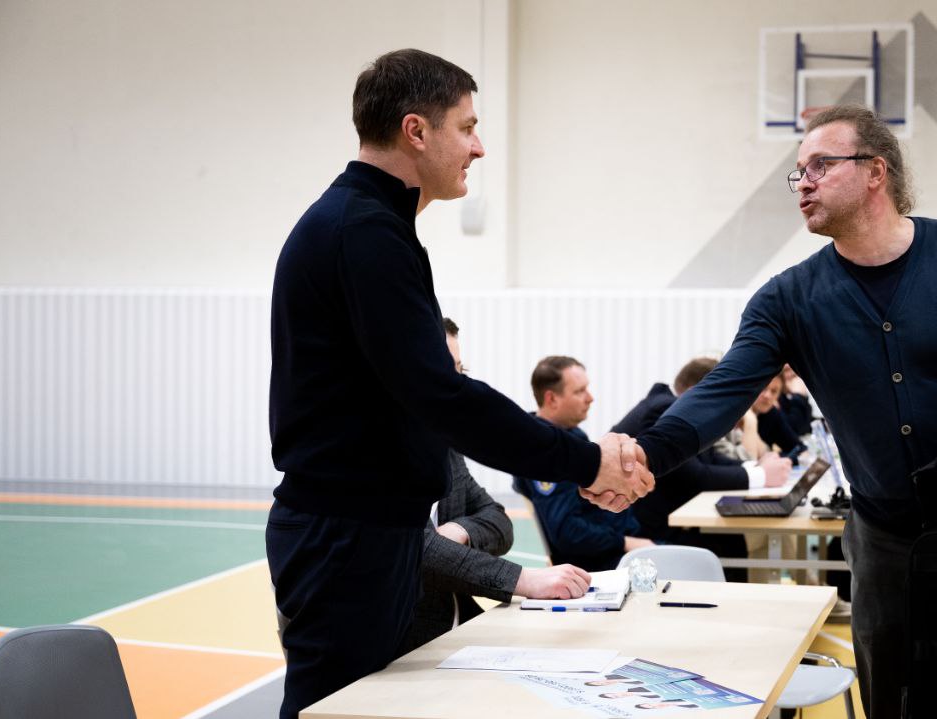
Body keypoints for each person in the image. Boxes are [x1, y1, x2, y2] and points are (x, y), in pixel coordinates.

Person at [633, 104, 937, 718]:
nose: (804, 183)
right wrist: (645, 455)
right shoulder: (788, 298)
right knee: (895, 699)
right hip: (884, 547)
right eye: (799, 172)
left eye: (821, 165)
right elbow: (724, 391)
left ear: (876, 171)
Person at [266, 49, 651, 718]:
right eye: (467, 127)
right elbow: (443, 397)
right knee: (333, 709)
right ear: (416, 131)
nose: (479, 147)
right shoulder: (362, 231)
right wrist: (586, 460)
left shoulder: (376, 225)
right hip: (345, 537)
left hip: (370, 533)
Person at [404, 319, 592, 651]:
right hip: (402, 645)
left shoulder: (445, 449)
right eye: (447, 370)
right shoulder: (379, 450)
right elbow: (415, 549)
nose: (457, 382)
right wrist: (525, 580)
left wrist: (462, 529)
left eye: (460, 370)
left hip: (454, 631)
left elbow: (499, 520)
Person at [612, 357, 791, 580]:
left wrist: (756, 466)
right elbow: (694, 476)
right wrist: (761, 475)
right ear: (696, 393)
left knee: (732, 539)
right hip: (648, 531)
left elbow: (710, 458)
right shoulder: (663, 408)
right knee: (730, 542)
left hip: (668, 520)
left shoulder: (669, 406)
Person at [514, 356, 655, 571]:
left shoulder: (571, 435)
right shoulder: (543, 451)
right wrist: (625, 542)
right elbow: (566, 532)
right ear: (552, 399)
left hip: (618, 542)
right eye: (579, 391)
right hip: (598, 561)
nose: (590, 398)